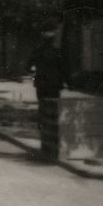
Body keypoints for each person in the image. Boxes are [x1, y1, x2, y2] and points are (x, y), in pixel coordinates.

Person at [29, 27, 66, 161]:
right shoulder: (58, 52)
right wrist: (69, 82)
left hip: (42, 84)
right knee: (55, 109)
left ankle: (45, 138)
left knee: (43, 108)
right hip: (55, 85)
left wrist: (34, 71)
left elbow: (28, 67)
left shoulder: (37, 52)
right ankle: (53, 140)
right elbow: (63, 69)